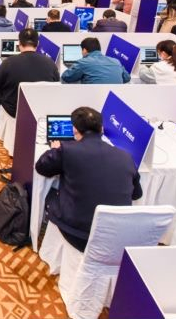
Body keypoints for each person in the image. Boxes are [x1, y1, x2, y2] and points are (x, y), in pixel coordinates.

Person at [35, 107, 142, 252]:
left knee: (49, 193)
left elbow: (41, 167)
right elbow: (136, 194)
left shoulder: (67, 150)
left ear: (75, 130)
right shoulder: (127, 157)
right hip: (114, 236)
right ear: (101, 129)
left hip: (76, 235)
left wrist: (54, 149)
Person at [0, 28, 60, 122]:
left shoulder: (9, 62)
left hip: (12, 113)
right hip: (40, 112)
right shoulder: (50, 63)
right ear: (37, 43)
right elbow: (56, 85)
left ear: (19, 43)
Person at [61, 37, 130, 84]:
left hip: (92, 98)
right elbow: (127, 78)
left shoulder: (83, 62)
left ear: (84, 50)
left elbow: (66, 77)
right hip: (113, 97)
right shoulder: (116, 61)